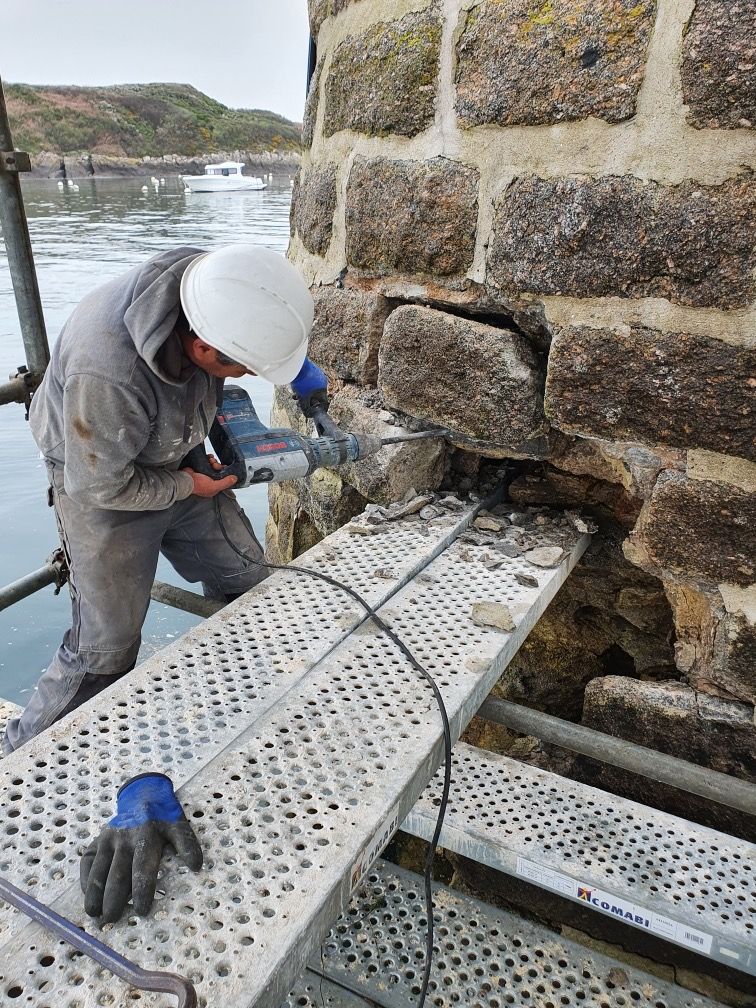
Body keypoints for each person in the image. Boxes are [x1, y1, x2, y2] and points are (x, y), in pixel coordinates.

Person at [2, 243, 324, 756]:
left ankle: (243, 710)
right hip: (100, 478)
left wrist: (294, 371)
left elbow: (254, 329)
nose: (243, 377)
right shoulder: (107, 371)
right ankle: (20, 760)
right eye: (240, 368)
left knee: (249, 582)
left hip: (175, 447)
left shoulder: (214, 287)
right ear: (202, 348)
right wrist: (187, 487)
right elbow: (99, 485)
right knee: (105, 647)